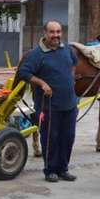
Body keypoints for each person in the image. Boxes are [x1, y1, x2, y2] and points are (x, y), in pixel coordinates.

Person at [16, 20, 78, 183]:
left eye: (58, 32)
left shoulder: (67, 50)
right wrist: (42, 83)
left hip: (70, 104)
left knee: (68, 137)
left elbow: (74, 64)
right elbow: (23, 73)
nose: (56, 35)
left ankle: (63, 169)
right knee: (51, 137)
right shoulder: (36, 54)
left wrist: (71, 79)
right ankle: (50, 170)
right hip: (49, 105)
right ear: (44, 33)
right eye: (52, 32)